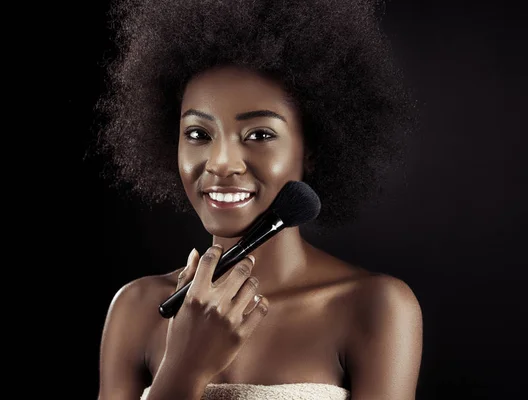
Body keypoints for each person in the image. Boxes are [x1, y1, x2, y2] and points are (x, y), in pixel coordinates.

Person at [94, 0, 423, 399]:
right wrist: (184, 367)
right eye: (198, 134)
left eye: (259, 135)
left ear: (312, 147)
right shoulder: (137, 308)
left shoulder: (374, 308)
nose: (221, 163)